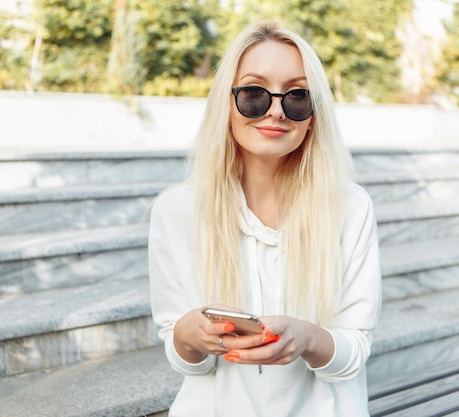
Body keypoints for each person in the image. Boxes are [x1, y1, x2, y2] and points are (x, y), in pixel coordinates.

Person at [148, 21, 381, 417]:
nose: (275, 110)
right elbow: (189, 364)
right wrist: (188, 334)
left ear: (313, 115)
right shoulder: (176, 211)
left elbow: (354, 355)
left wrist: (306, 338)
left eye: (297, 95)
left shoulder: (351, 207)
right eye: (254, 93)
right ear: (226, 100)